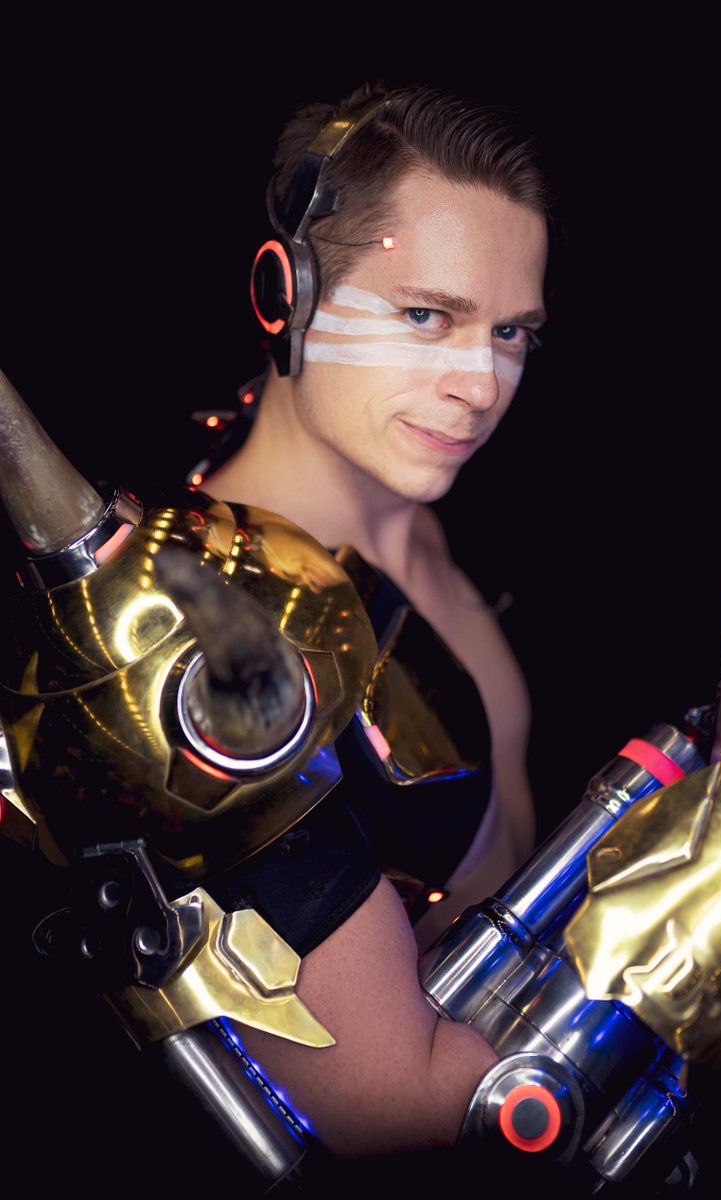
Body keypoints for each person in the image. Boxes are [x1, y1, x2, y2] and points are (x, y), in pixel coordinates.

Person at [185, 80, 549, 1160]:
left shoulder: (419, 512)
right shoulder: (206, 648)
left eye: (511, 333)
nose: (479, 386)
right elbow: (407, 1113)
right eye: (426, 316)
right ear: (285, 293)